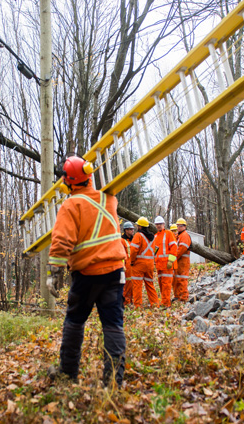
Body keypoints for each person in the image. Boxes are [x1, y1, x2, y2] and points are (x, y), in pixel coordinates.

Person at [46, 156, 126, 387]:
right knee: (113, 324)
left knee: (74, 321)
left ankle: (67, 374)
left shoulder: (71, 205)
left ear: (68, 182)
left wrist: (54, 272)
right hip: (115, 272)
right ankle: (113, 384)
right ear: (89, 176)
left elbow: (61, 241)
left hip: (88, 275)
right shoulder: (109, 199)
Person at [130, 217, 159, 307]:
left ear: (140, 226)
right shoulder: (152, 237)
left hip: (139, 264)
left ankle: (138, 305)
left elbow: (134, 250)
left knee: (137, 285)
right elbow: (155, 250)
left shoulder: (138, 235)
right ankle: (155, 303)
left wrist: (132, 261)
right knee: (150, 284)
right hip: (149, 264)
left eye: (138, 225)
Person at [152, 216, 177, 308]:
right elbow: (155, 251)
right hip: (159, 265)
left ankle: (166, 303)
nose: (158, 226)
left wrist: (171, 260)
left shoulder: (169, 234)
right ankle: (164, 301)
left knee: (166, 284)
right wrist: (154, 262)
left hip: (167, 265)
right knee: (161, 284)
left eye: (160, 224)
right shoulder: (155, 236)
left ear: (163, 224)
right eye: (157, 224)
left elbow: (174, 248)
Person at [172, 218, 191, 303]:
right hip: (178, 261)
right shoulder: (178, 236)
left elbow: (181, 249)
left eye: (180, 226)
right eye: (178, 226)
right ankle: (177, 296)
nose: (179, 227)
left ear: (184, 226)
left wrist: (172, 258)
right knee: (176, 279)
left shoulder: (184, 235)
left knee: (182, 280)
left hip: (183, 262)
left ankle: (183, 297)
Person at [121, 221, 135, 307]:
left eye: (132, 229)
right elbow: (121, 254)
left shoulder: (134, 240)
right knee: (126, 284)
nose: (132, 231)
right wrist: (122, 265)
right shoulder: (122, 240)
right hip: (126, 265)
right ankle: (126, 301)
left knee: (133, 283)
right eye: (130, 229)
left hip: (134, 264)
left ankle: (131, 299)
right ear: (126, 230)